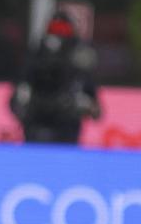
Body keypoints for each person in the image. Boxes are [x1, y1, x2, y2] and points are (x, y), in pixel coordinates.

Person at [10, 12, 101, 145]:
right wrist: (24, 103)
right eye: (55, 30)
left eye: (62, 30)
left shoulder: (77, 66)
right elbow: (15, 101)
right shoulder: (34, 60)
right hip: (37, 127)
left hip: (66, 128)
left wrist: (83, 104)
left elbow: (96, 109)